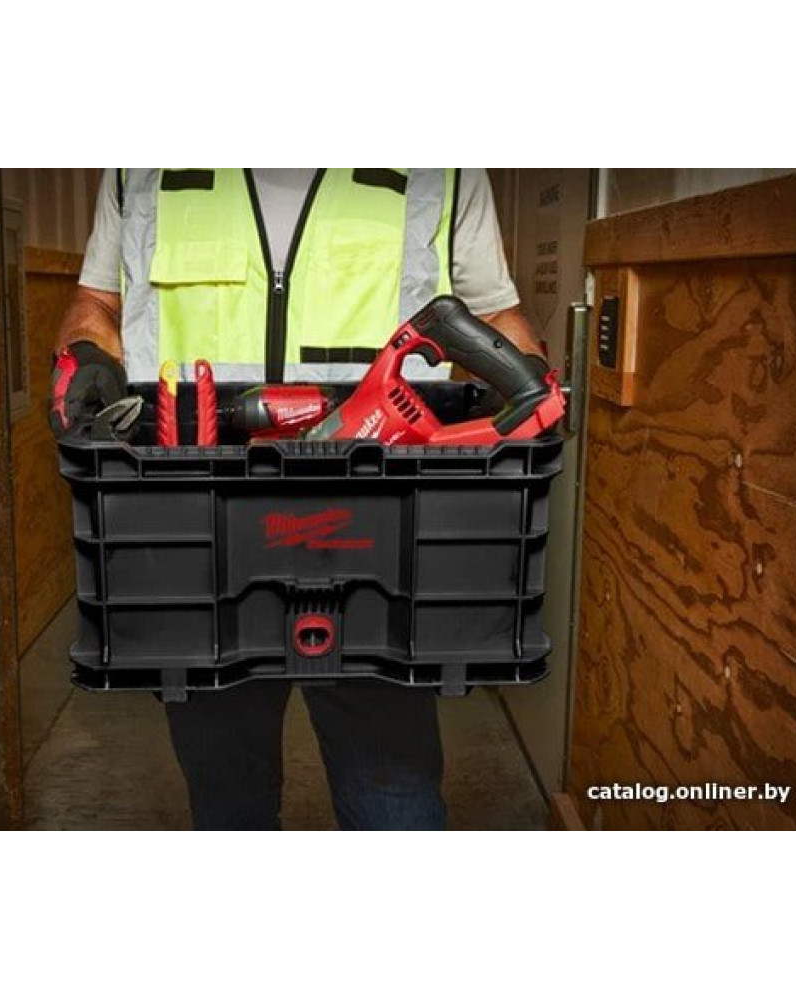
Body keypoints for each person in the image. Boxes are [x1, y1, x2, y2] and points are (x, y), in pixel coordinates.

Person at [51, 169, 544, 830]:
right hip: (194, 527)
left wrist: (531, 383)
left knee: (395, 801)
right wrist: (85, 352)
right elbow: (97, 301)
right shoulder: (139, 164)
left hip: (382, 533)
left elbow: (495, 313)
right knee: (227, 807)